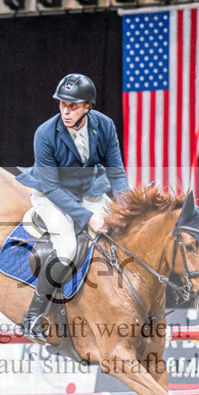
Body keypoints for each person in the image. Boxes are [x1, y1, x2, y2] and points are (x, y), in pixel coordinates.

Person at [15, 73, 129, 340]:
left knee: (124, 234)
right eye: (62, 105)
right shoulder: (45, 133)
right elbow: (52, 187)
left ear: (88, 106)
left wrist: (124, 208)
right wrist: (89, 218)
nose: (65, 111)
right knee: (66, 248)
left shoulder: (105, 125)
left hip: (89, 191)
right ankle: (33, 315)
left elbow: (117, 173)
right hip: (50, 194)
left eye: (73, 106)